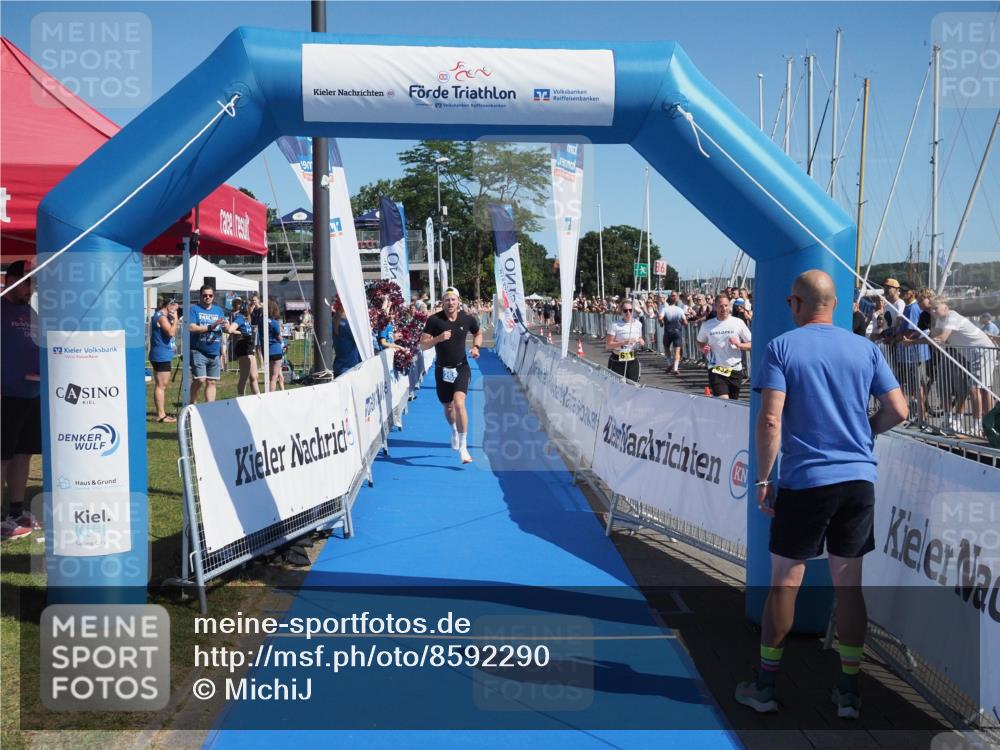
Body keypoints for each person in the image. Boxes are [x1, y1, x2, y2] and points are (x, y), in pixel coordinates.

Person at [735, 270, 906, 720]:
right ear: (835, 305)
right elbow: (900, 409)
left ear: (795, 304)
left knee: (784, 582)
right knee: (849, 586)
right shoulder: (866, 348)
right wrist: (862, 435)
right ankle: (848, 691)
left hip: (806, 480)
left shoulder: (782, 347)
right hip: (857, 480)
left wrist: (764, 477)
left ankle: (766, 686)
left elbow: (770, 421)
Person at [1, 261, 42, 539]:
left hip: (31, 393)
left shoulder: (30, 311)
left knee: (22, 454)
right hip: (7, 395)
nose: (30, 290)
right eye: (27, 283)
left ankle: (16, 510)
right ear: (12, 280)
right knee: (2, 457)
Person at [420, 287, 482, 464]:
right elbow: (423, 345)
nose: (450, 303)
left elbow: (478, 333)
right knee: (448, 407)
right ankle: (454, 429)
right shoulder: (434, 320)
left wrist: (476, 347)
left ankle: (463, 447)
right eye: (447, 300)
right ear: (443, 302)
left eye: (453, 299)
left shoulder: (467, 318)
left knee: (459, 403)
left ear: (458, 301)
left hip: (461, 367)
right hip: (442, 369)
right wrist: (438, 338)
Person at [930, 297, 998, 427]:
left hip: (982, 351)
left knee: (975, 388)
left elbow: (942, 338)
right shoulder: (939, 319)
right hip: (975, 354)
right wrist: (933, 330)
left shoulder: (952, 317)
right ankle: (989, 424)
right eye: (931, 308)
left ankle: (978, 426)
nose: (933, 311)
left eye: (935, 308)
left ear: (946, 307)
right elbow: (935, 337)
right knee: (983, 389)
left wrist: (922, 340)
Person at [696, 293, 752, 399]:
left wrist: (739, 345)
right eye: (720, 306)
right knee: (723, 400)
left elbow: (751, 344)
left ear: (729, 306)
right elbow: (699, 342)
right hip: (716, 368)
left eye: (726, 305)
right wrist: (703, 348)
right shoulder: (707, 325)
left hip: (735, 368)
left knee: (733, 402)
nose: (724, 308)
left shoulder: (738, 322)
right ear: (715, 307)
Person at [188, 284, 236, 403]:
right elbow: (192, 328)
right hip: (198, 350)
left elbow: (226, 328)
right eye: (205, 295)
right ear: (200, 296)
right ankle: (191, 404)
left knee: (212, 381)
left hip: (214, 351)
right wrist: (211, 326)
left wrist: (226, 326)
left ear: (213, 297)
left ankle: (210, 408)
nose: (207, 297)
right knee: (200, 379)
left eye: (210, 295)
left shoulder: (218, 310)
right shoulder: (194, 309)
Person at [149, 297, 181, 422]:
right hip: (160, 355)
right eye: (175, 307)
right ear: (169, 305)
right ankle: (161, 415)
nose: (176, 310)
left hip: (161, 353)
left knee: (162, 385)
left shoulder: (162, 316)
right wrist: (176, 320)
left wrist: (173, 320)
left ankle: (161, 414)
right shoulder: (161, 317)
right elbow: (171, 333)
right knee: (161, 385)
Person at [605, 300, 645, 382]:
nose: (628, 312)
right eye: (625, 310)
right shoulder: (615, 325)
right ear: (621, 311)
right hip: (618, 359)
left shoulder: (638, 324)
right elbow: (608, 345)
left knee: (633, 386)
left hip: (632, 358)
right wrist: (624, 342)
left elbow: (640, 338)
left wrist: (641, 341)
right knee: (616, 386)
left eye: (630, 310)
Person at [231, 299, 260, 396]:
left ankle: (258, 397)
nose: (252, 308)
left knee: (254, 376)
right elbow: (231, 329)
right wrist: (241, 333)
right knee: (244, 376)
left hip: (249, 347)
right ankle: (241, 397)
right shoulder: (240, 318)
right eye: (251, 307)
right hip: (243, 347)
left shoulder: (247, 318)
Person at [657, 292, 687, 375]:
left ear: (668, 302)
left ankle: (670, 364)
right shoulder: (679, 310)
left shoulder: (665, 309)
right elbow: (685, 322)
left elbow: (660, 318)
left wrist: (661, 323)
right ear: (675, 302)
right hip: (677, 331)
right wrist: (682, 323)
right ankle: (675, 368)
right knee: (677, 351)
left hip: (668, 331)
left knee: (666, 348)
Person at [331, 297, 361, 377]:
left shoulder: (334, 322)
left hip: (339, 367)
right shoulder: (347, 325)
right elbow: (361, 339)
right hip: (349, 369)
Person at [261, 299, 285, 391]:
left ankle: (279, 392)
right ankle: (272, 396)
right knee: (274, 377)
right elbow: (279, 337)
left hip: (266, 351)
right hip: (276, 350)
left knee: (271, 375)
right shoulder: (275, 323)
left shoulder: (261, 321)